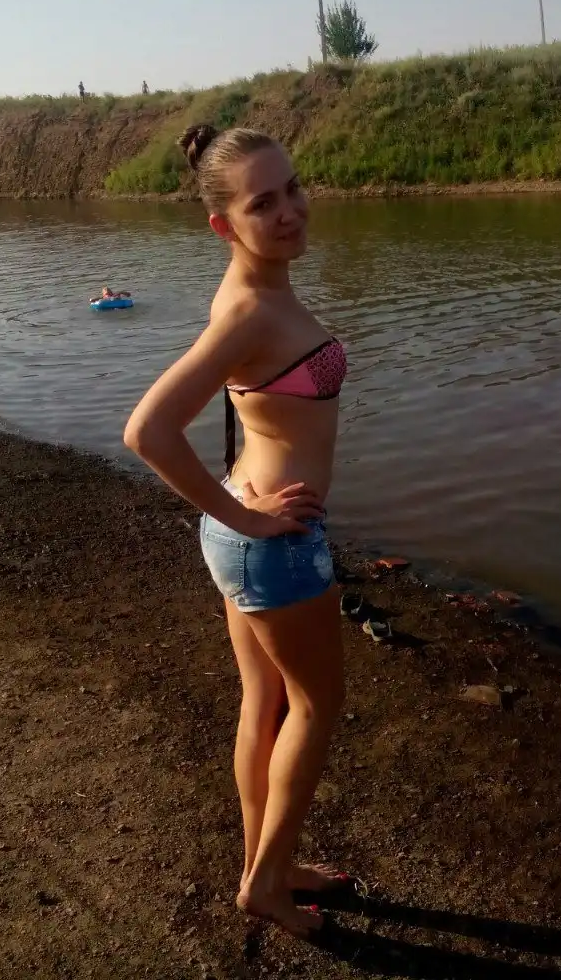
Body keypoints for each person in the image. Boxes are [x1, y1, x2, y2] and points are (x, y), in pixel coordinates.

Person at [123, 124, 348, 939]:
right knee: (316, 707)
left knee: (265, 700)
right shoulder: (250, 312)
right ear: (224, 224)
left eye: (292, 189)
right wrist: (251, 518)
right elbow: (148, 432)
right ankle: (265, 885)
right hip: (270, 545)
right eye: (263, 203)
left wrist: (241, 518)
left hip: (245, 539)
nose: (289, 211)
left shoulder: (252, 291)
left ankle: (269, 865)